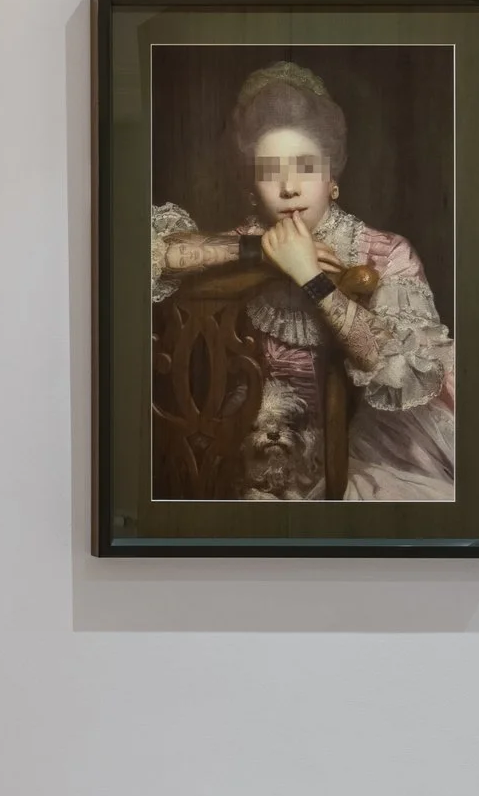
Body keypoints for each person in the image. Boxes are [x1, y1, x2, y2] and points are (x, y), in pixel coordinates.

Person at [149, 60, 454, 500]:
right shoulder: (242, 242)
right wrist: (259, 251)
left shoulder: (384, 252)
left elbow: (398, 365)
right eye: (270, 171)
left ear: (332, 178)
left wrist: (309, 275)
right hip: (255, 444)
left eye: (306, 167)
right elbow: (148, 253)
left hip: (364, 448)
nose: (289, 187)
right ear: (251, 186)